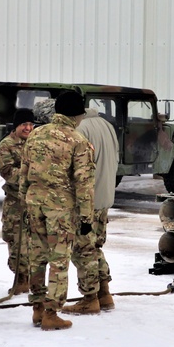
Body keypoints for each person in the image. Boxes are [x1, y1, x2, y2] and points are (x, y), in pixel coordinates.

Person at [19, 91, 95, 331]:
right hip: (60, 209)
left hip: (34, 203)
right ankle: (51, 313)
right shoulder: (77, 140)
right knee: (59, 259)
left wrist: (25, 199)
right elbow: (84, 183)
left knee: (37, 257)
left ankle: (38, 308)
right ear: (77, 115)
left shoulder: (36, 134)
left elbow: (24, 172)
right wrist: (86, 217)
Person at [64, 106, 120, 315]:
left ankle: (89, 298)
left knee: (82, 250)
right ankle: (104, 294)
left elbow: (80, 170)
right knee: (95, 247)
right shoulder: (107, 126)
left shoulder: (81, 129)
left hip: (88, 201)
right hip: (105, 197)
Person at [0, 108, 35, 294]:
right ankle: (20, 278)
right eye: (24, 125)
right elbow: (7, 172)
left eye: (30, 124)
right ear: (16, 126)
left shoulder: (36, 143)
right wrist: (33, 175)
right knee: (16, 241)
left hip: (34, 202)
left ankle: (32, 278)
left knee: (34, 241)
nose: (28, 128)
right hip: (15, 202)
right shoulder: (7, 145)